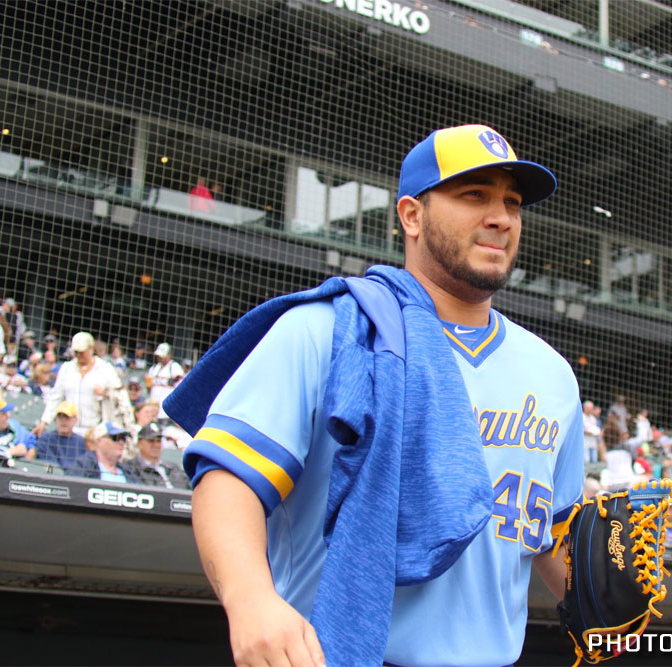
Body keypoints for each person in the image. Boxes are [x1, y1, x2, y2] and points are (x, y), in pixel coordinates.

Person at [164, 124, 583, 666]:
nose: (500, 217)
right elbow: (226, 478)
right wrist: (250, 599)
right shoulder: (327, 330)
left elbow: (550, 529)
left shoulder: (550, 373)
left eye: (512, 201)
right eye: (473, 194)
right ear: (411, 215)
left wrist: (604, 592)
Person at [32, 332, 135, 437]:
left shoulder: (105, 369)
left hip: (95, 430)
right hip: (70, 429)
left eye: (81, 352)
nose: (78, 355)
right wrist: (44, 421)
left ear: (91, 348)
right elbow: (56, 397)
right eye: (76, 352)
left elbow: (121, 397)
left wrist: (105, 393)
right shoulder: (67, 368)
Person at [123, 422, 190, 489]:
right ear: (139, 443)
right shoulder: (131, 467)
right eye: (151, 441)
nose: (156, 445)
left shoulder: (173, 468)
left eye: (158, 441)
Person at [67, 421, 139, 483]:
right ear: (98, 441)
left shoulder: (128, 472)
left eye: (123, 438)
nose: (121, 442)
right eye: (115, 438)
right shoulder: (83, 466)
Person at [29, 401, 84, 469]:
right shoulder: (46, 439)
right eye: (60, 417)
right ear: (56, 419)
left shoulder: (82, 442)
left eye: (67, 417)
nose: (63, 421)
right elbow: (50, 465)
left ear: (75, 420)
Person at [0, 394, 37, 463]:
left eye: (7, 413)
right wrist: (8, 451)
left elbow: (31, 444)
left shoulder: (13, 425)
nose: (7, 416)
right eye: (3, 414)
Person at [146, 342, 184, 419]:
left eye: (162, 356)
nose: (160, 358)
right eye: (159, 356)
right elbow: (149, 387)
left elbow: (181, 388)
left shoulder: (175, 368)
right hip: (153, 410)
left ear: (169, 355)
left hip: (166, 412)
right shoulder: (153, 369)